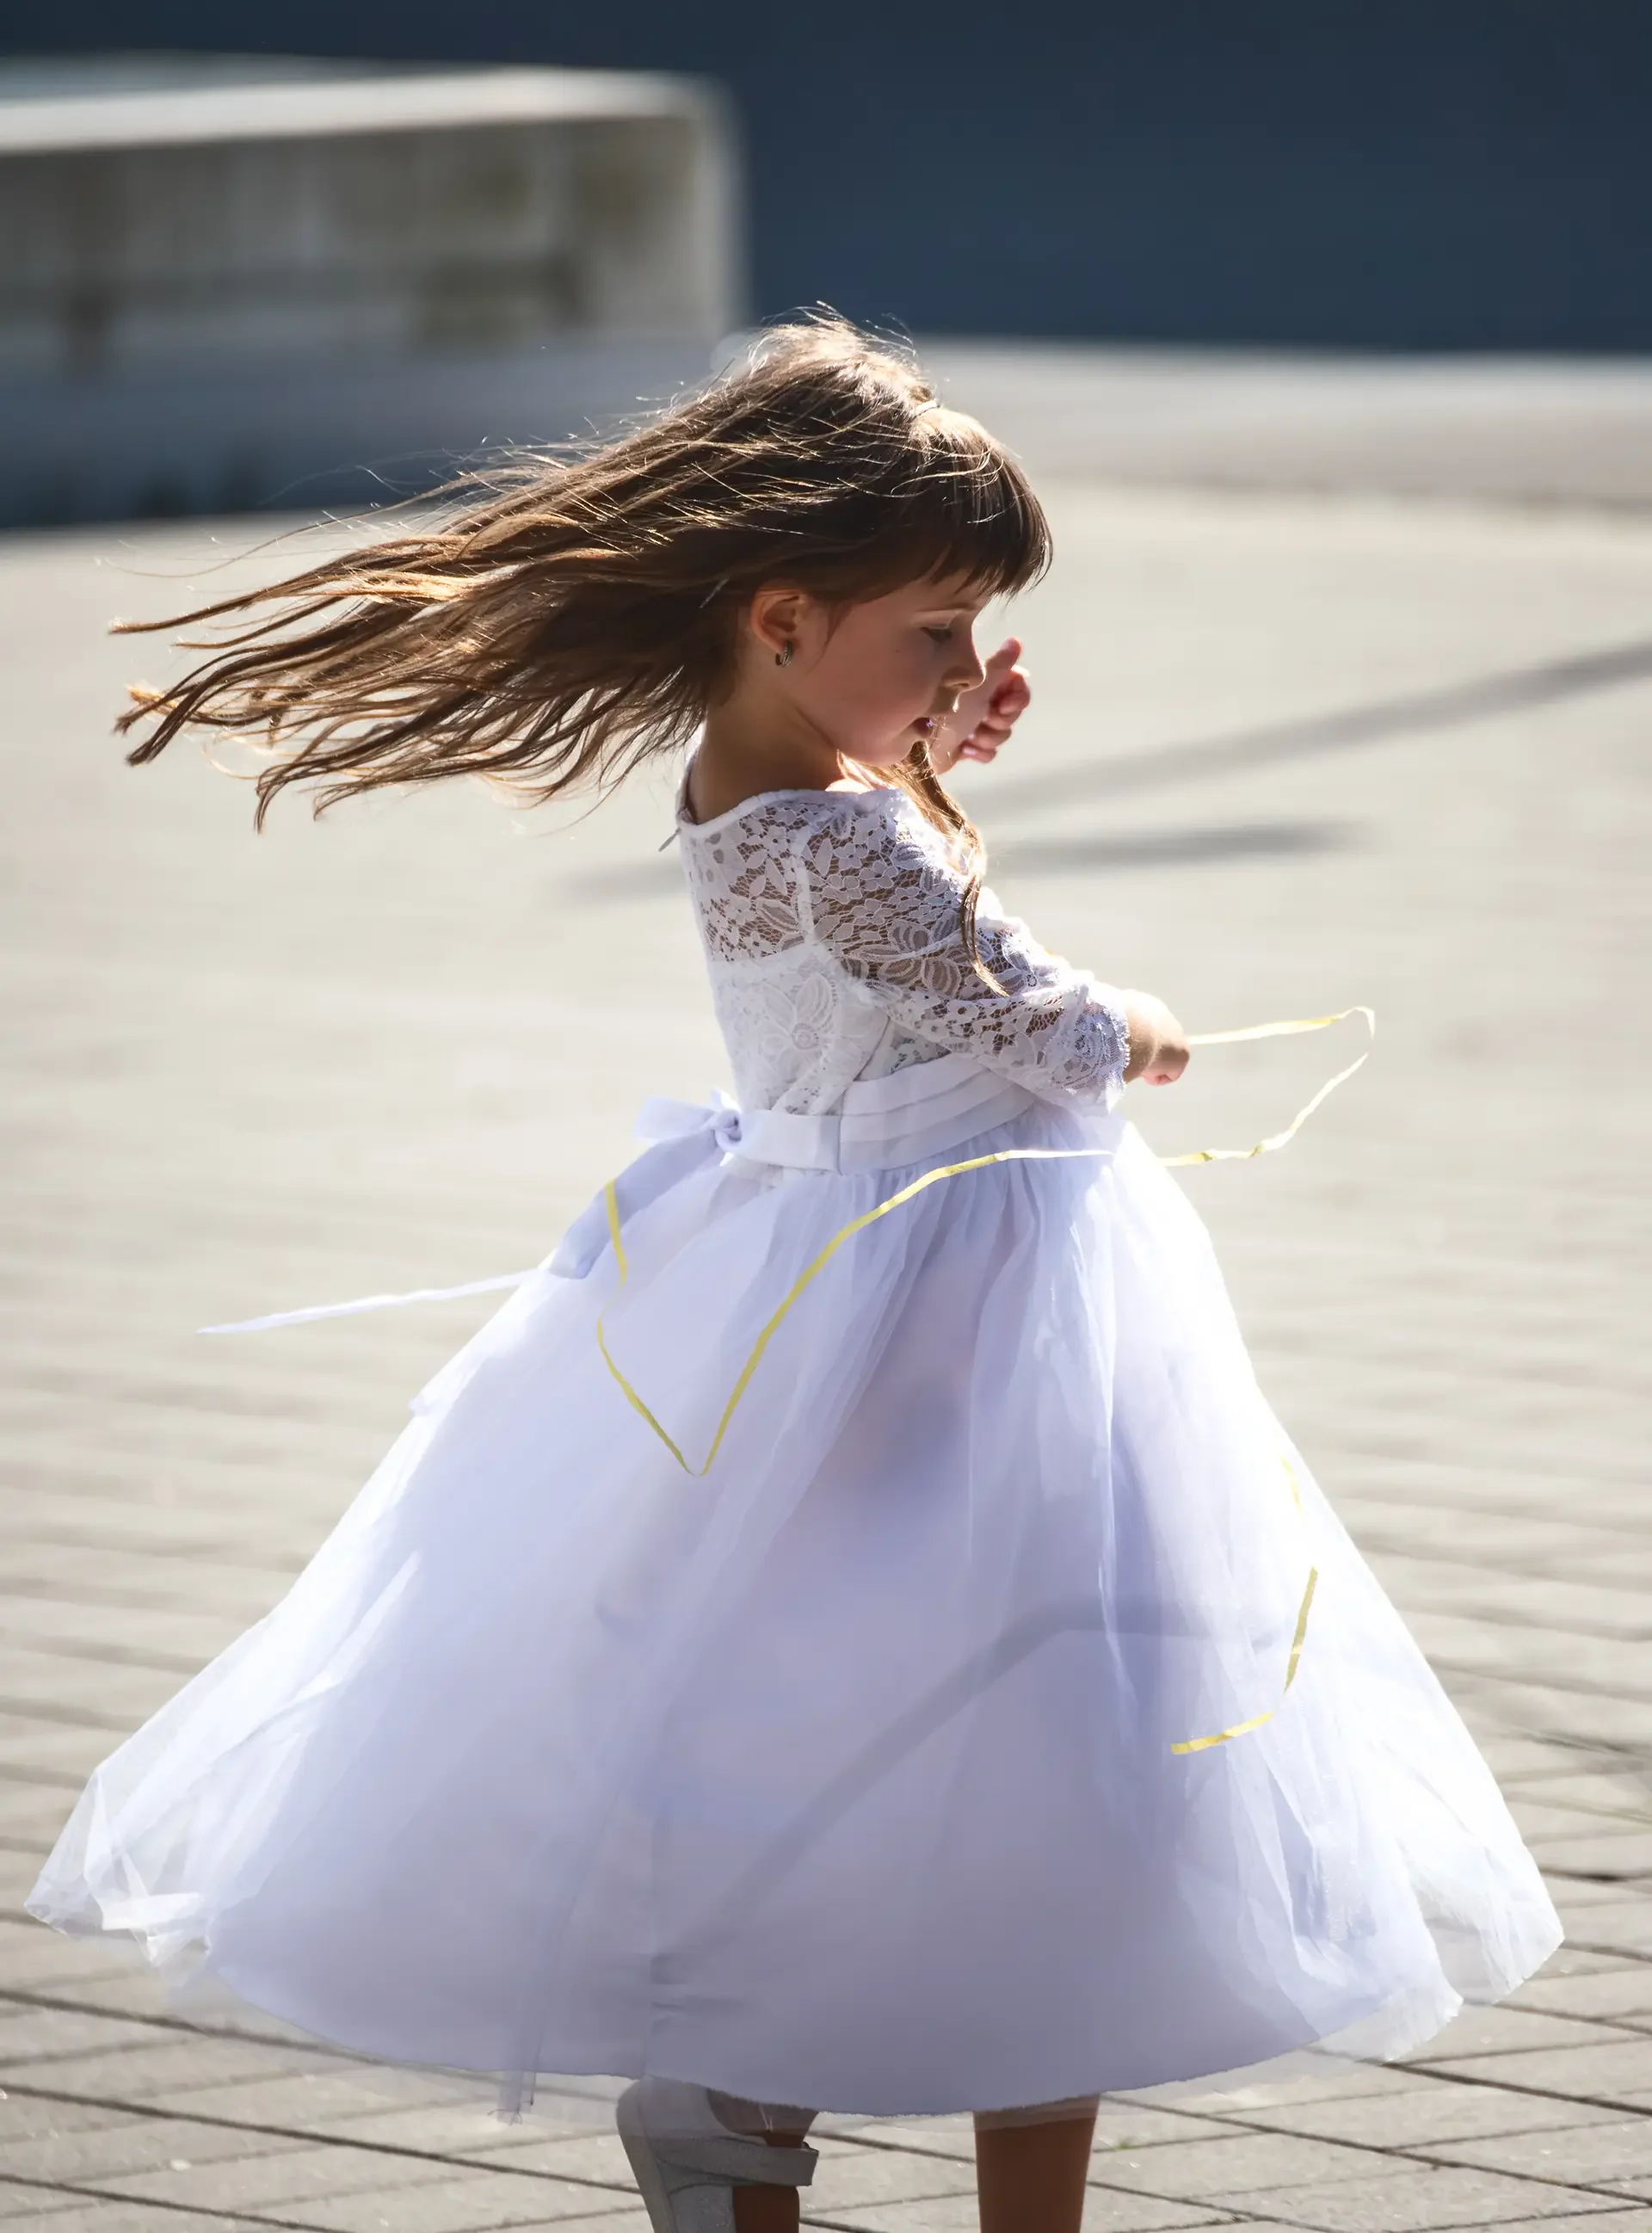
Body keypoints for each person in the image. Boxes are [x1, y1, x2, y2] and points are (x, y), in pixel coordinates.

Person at [28, 318, 1560, 2233]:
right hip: (958, 1314)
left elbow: (880, 910)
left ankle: (736, 2106)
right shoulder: (847, 840)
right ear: (780, 615)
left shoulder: (752, 785)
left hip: (836, 1280)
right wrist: (1149, 1023)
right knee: (1053, 1736)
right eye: (938, 632)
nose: (966, 669)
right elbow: (1033, 1021)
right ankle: (808, 2102)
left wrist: (922, 749)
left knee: (845, 1708)